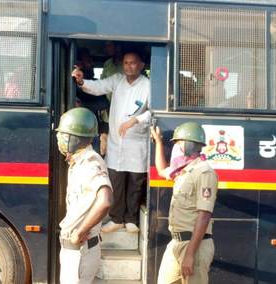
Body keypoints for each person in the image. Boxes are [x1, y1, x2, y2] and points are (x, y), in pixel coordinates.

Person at [72, 51, 149, 233]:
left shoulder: (148, 86)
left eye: (133, 63)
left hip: (137, 143)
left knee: (135, 184)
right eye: (126, 63)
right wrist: (82, 82)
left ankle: (131, 219)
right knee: (115, 181)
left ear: (141, 65)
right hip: (116, 143)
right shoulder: (117, 79)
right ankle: (117, 219)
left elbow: (154, 112)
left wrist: (135, 120)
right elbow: (98, 86)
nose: (128, 66)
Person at [150, 122, 219, 284]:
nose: (175, 147)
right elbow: (161, 171)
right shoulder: (183, 171)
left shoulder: (204, 172)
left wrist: (190, 254)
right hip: (176, 243)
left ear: (189, 144)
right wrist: (158, 142)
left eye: (178, 143)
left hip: (194, 247)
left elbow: (204, 216)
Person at [56, 107, 114, 284]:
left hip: (80, 251)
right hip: (74, 251)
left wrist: (80, 232)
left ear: (76, 138)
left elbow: (106, 200)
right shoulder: (77, 162)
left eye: (64, 135)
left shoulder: (91, 163)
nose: (60, 139)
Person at [99, 41, 125, 158]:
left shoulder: (127, 64)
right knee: (104, 149)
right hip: (107, 116)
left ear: (118, 47)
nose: (105, 49)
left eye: (108, 46)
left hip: (124, 117)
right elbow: (101, 86)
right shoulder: (107, 64)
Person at [75, 48, 110, 114]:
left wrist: (81, 105)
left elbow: (104, 103)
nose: (92, 64)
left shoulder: (94, 83)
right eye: (89, 61)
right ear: (79, 63)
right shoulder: (69, 84)